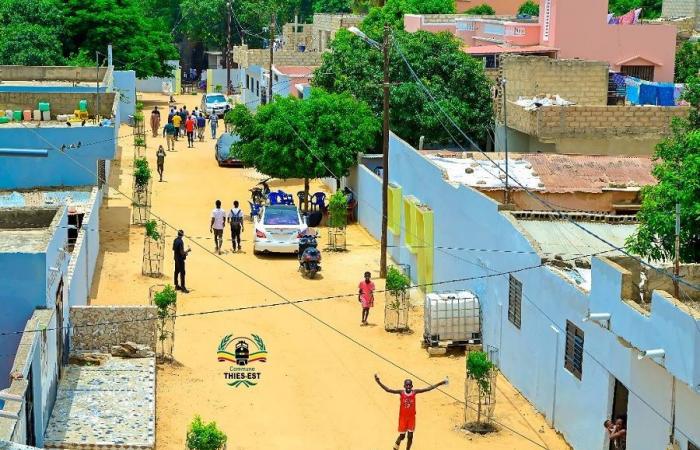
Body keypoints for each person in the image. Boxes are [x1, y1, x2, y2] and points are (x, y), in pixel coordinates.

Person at [374, 374, 448, 450]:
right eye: (407, 385)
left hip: (411, 419)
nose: (408, 387)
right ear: (404, 386)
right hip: (402, 418)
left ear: (412, 386)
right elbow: (388, 390)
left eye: (410, 385)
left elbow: (428, 388)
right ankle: (397, 444)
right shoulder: (401, 392)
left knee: (410, 437)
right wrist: (378, 381)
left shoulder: (415, 392)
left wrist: (441, 383)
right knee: (402, 436)